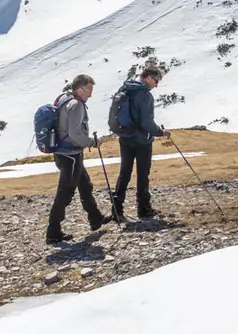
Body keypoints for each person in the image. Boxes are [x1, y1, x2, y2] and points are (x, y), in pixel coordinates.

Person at [47, 74, 111, 244]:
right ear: (80, 89)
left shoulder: (64, 99)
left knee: (85, 185)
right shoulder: (76, 105)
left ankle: (95, 217)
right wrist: (92, 142)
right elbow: (75, 133)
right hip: (71, 155)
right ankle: (53, 232)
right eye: (89, 89)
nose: (91, 94)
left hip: (64, 153)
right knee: (65, 193)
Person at [111, 66, 170, 221]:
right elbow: (146, 122)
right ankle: (143, 208)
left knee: (124, 173)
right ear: (149, 78)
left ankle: (117, 209)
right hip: (142, 140)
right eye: (156, 81)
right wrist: (160, 132)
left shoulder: (125, 88)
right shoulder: (145, 95)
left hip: (125, 137)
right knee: (143, 174)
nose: (156, 85)